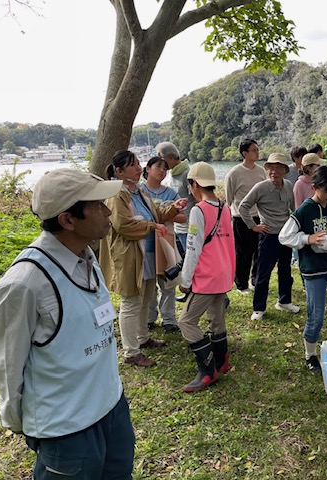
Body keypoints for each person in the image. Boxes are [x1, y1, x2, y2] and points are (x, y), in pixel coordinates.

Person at [0, 168, 135, 479]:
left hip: (111, 407)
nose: (108, 211)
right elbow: (6, 362)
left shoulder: (86, 257)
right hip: (67, 429)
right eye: (96, 206)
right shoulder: (25, 283)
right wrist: (21, 421)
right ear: (68, 220)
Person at [100, 150, 185, 367]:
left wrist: (172, 209)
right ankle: (131, 352)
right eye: (133, 165)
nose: (138, 168)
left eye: (138, 163)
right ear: (119, 171)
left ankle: (142, 338)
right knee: (131, 302)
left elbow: (155, 213)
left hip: (147, 253)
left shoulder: (138, 191)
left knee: (146, 298)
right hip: (129, 256)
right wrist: (151, 225)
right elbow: (122, 225)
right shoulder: (116, 194)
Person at [279, 165, 327, 373]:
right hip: (314, 270)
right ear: (314, 187)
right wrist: (307, 238)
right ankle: (310, 354)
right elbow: (284, 236)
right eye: (326, 191)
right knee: (317, 315)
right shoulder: (305, 210)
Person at [177, 162, 235, 392]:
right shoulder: (225, 207)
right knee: (216, 318)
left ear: (194, 184)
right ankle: (222, 360)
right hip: (223, 274)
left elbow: (192, 248)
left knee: (186, 321)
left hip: (206, 277)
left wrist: (185, 280)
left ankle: (207, 370)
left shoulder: (198, 210)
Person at [239, 152, 299, 321]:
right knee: (263, 274)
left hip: (286, 235)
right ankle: (258, 308)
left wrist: (294, 227)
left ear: (285, 170)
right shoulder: (261, 187)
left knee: (285, 270)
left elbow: (292, 208)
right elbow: (243, 206)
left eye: (278, 168)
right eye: (271, 168)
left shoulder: (288, 185)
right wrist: (253, 226)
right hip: (268, 236)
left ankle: (284, 301)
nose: (274, 172)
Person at [141, 156, 187, 333]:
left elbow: (183, 217)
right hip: (145, 244)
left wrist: (163, 215)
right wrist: (163, 214)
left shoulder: (171, 193)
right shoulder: (139, 192)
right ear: (147, 169)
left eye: (165, 168)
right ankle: (150, 318)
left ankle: (169, 319)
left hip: (166, 243)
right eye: (158, 166)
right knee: (150, 284)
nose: (162, 170)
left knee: (168, 284)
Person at [224, 138, 267, 295]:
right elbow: (229, 199)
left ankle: (255, 280)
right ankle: (241, 284)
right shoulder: (234, 173)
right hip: (240, 218)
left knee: (259, 251)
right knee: (243, 253)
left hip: (259, 217)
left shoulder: (261, 171)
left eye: (257, 149)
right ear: (245, 153)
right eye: (254, 150)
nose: (257, 152)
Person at [156, 141, 195, 253]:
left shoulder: (188, 174)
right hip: (174, 228)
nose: (160, 162)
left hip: (188, 229)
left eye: (161, 158)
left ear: (170, 157)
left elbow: (198, 198)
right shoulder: (171, 174)